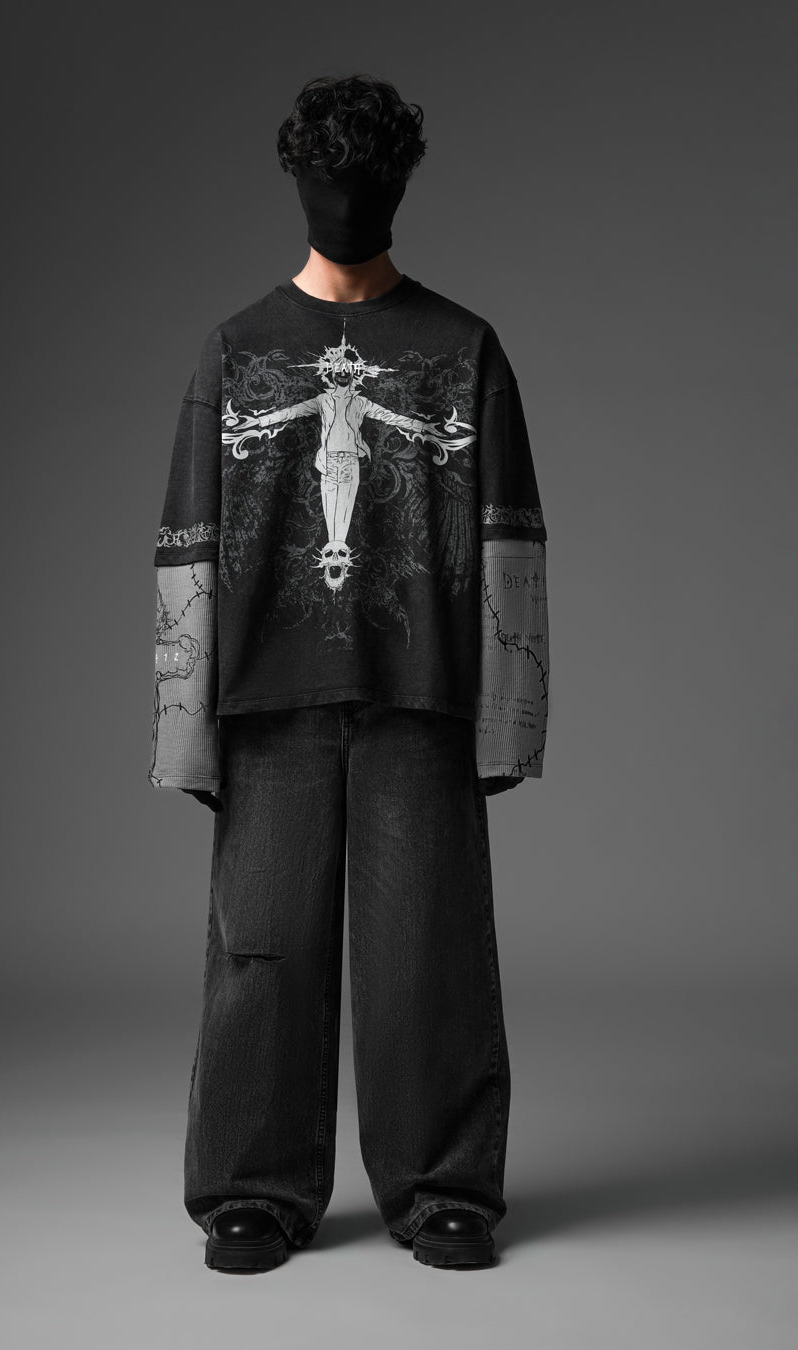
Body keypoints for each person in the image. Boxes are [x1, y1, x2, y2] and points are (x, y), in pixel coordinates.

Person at [148, 73, 550, 1273]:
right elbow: (188, 539)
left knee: (428, 950)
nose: (349, 196)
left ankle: (443, 1186)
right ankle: (253, 1187)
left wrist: (509, 713)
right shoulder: (238, 350)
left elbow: (510, 537)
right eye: (332, 177)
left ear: (397, 186)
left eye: (368, 178)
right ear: (302, 183)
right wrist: (184, 721)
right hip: (268, 694)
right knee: (260, 947)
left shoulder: (462, 348)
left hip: (420, 690)